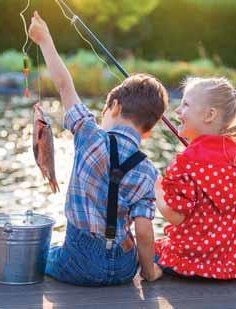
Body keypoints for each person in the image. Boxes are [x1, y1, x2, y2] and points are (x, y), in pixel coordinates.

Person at [29, 11, 168, 285]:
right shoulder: (148, 170)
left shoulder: (90, 135)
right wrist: (149, 272)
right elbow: (143, 228)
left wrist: (45, 41)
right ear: (149, 132)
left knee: (42, 257)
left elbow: (63, 85)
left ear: (114, 107)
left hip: (79, 262)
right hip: (125, 267)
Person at [154, 77, 236, 279]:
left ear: (210, 114)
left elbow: (175, 216)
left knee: (145, 250)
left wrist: (157, 189)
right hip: (231, 267)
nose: (178, 111)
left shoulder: (185, 164)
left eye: (185, 104)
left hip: (188, 263)